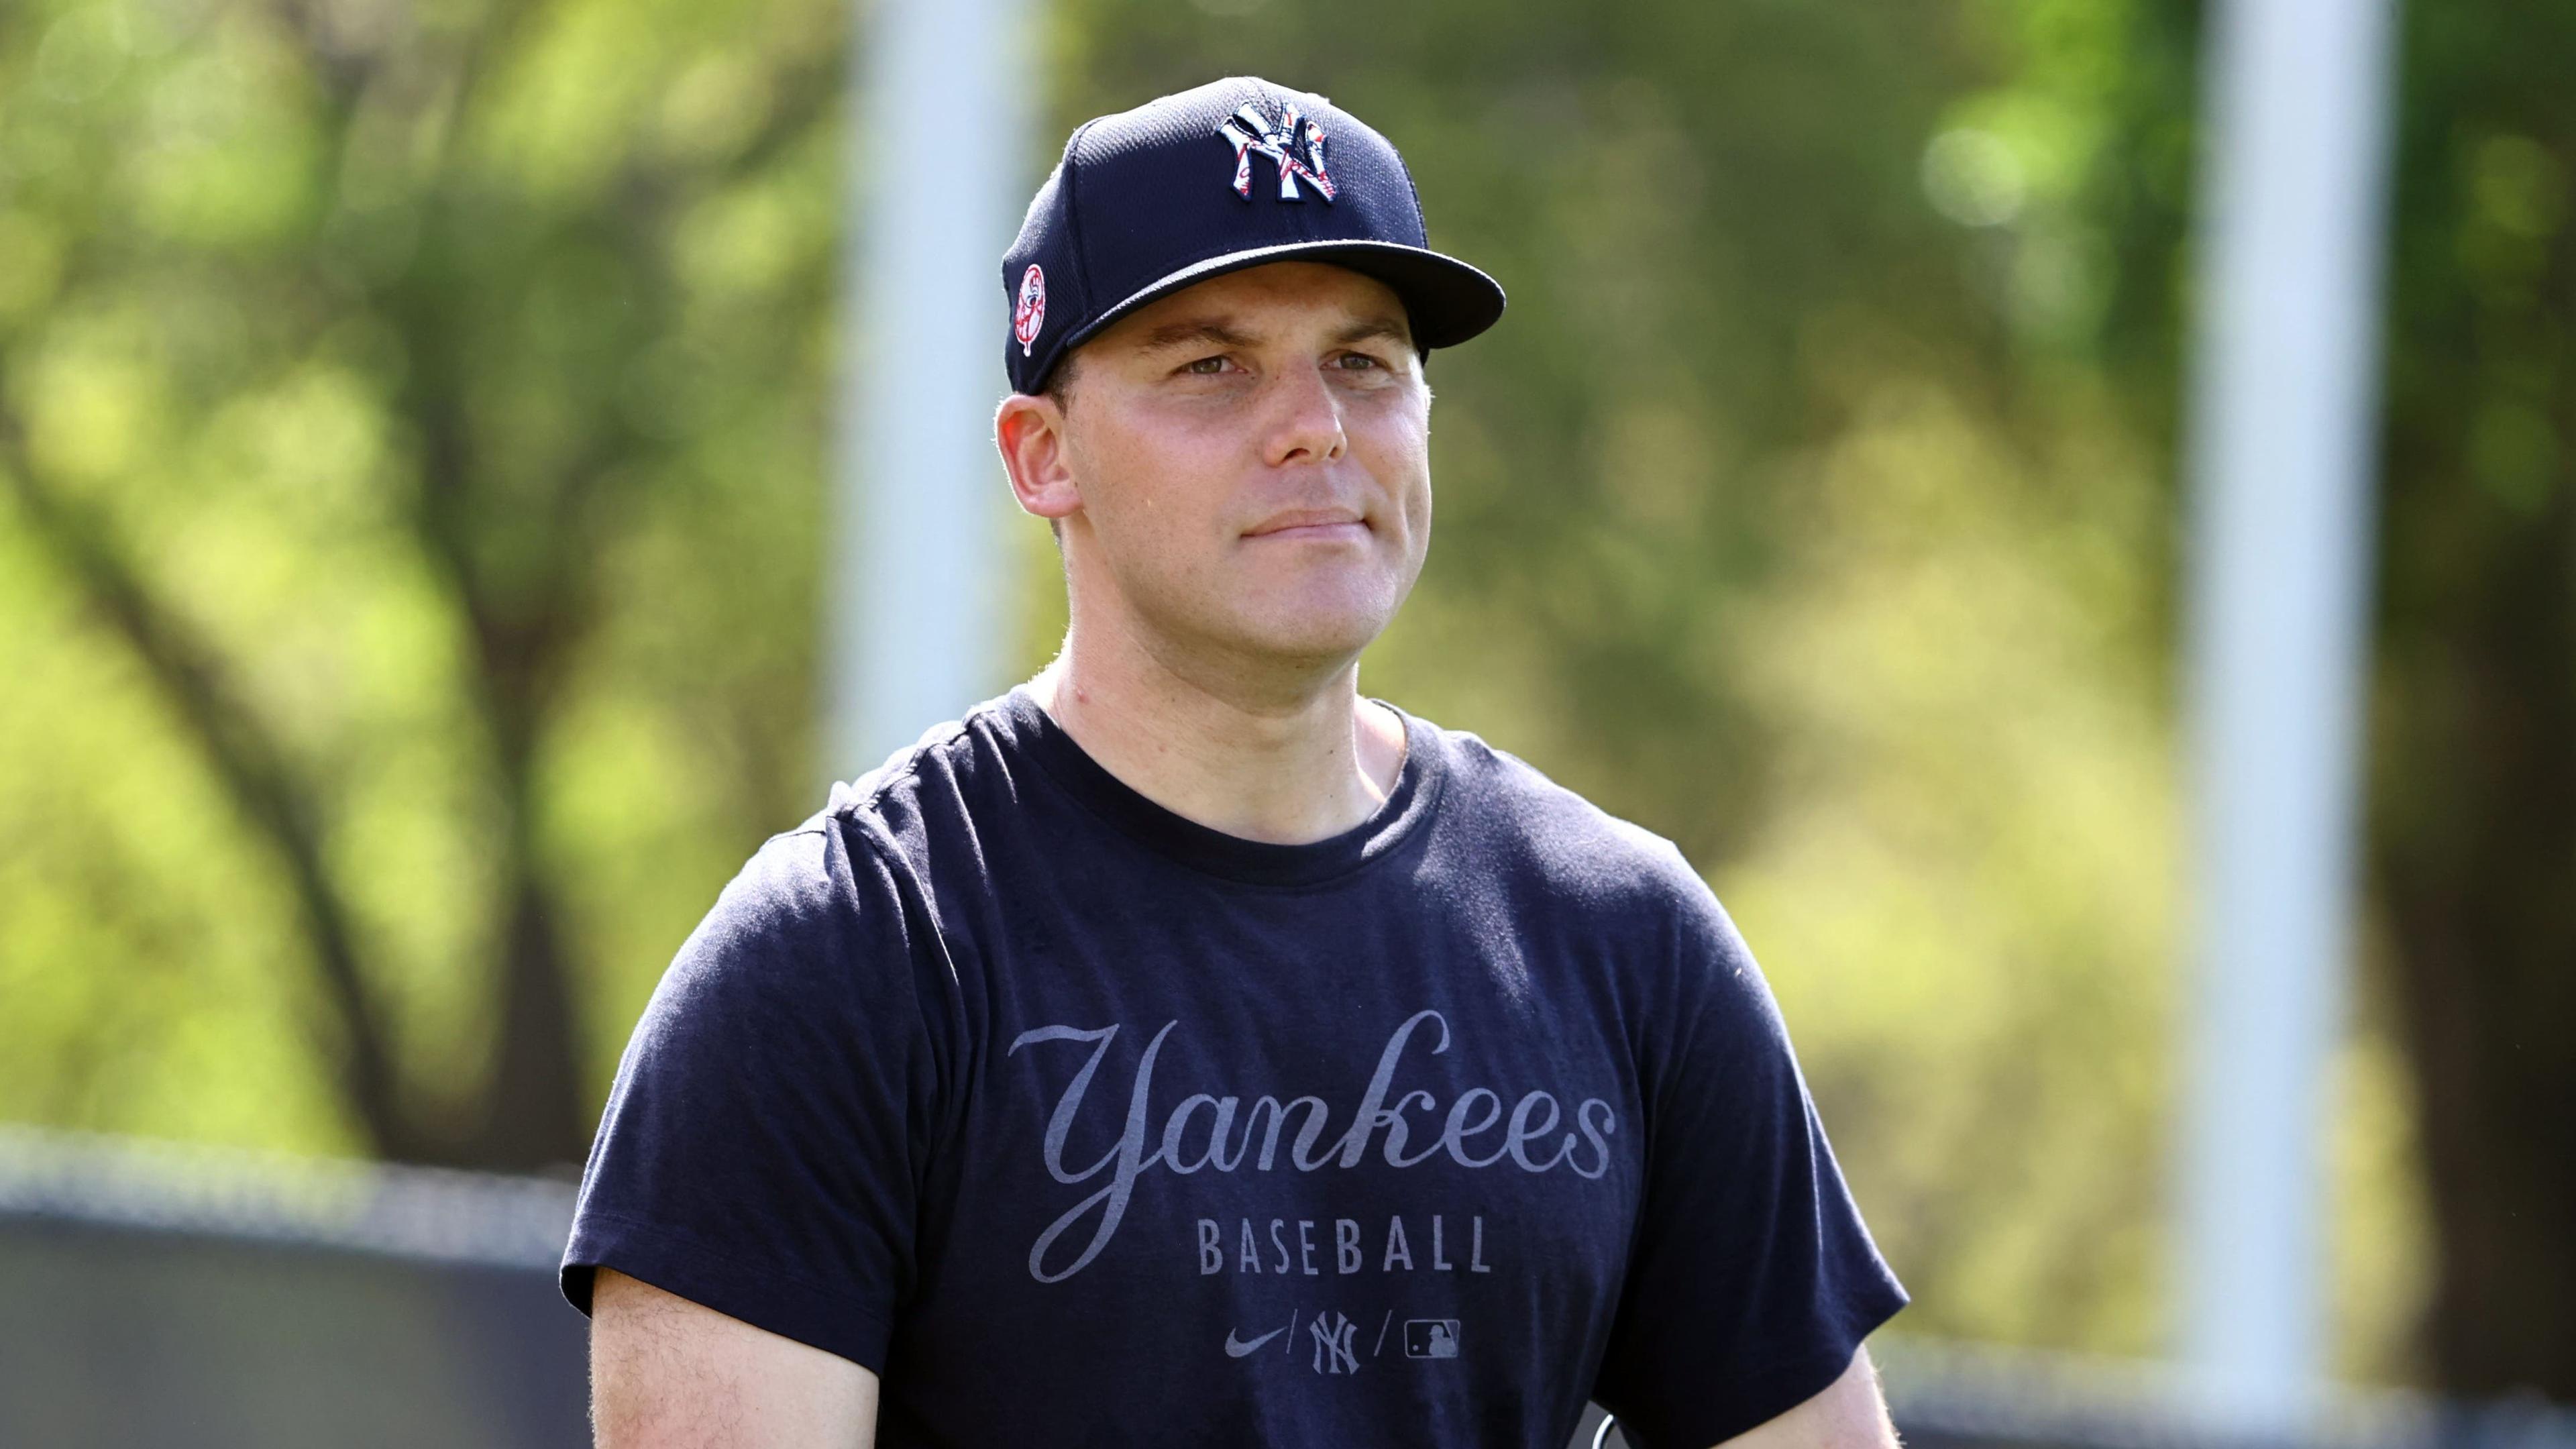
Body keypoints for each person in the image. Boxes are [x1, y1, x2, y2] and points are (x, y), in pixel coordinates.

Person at [562, 75, 1909, 1449]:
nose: (1316, 424)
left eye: (1364, 362)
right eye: (1212, 367)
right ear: (1042, 456)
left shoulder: (1621, 938)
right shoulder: (852, 958)